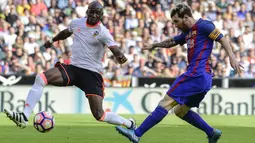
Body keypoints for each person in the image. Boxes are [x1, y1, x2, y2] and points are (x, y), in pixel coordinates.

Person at [115, 4, 243, 143]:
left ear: (186, 17)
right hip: (204, 79)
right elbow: (172, 41)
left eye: (176, 21)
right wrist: (155, 45)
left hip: (196, 74)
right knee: (180, 111)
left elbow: (222, 39)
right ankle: (211, 133)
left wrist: (232, 57)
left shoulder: (204, 26)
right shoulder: (187, 33)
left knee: (166, 102)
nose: (175, 25)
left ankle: (137, 134)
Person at [4, 1, 136, 131]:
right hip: (73, 69)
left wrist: (120, 56)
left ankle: (128, 123)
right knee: (41, 78)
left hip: (92, 74)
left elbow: (114, 48)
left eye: (97, 13)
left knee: (99, 114)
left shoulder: (103, 32)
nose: (94, 15)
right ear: (87, 11)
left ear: (101, 15)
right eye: (92, 11)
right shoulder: (76, 23)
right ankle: (24, 116)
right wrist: (52, 40)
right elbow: (66, 32)